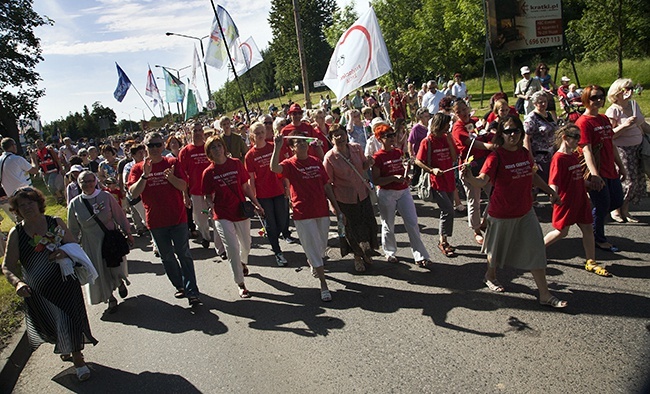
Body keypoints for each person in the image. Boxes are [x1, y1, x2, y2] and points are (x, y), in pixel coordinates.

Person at [462, 115, 567, 308]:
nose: (512, 135)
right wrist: (469, 177)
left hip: (525, 211)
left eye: (516, 131)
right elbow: (482, 181)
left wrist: (551, 192)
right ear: (501, 134)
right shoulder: (496, 156)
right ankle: (490, 275)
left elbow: (532, 176)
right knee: (495, 252)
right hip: (501, 213)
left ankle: (544, 294)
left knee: (536, 250)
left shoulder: (525, 153)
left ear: (521, 132)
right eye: (508, 131)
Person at [2, 187, 97, 381]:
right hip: (38, 290)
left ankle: (79, 361)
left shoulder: (55, 223)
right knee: (51, 323)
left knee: (70, 319)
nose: (27, 207)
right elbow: (7, 267)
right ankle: (64, 343)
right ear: (16, 210)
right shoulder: (16, 233)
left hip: (64, 282)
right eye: (22, 205)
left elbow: (73, 246)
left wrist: (64, 252)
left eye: (31, 203)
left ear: (39, 203)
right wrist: (17, 283)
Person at [128, 132, 201, 306]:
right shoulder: (138, 168)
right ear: (145, 147)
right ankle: (180, 285)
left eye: (157, 145)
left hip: (177, 218)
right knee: (167, 257)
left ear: (163, 146)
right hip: (156, 221)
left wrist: (171, 178)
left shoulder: (172, 163)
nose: (154, 148)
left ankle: (192, 292)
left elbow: (184, 186)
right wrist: (145, 176)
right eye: (150, 145)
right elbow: (133, 193)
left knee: (184, 254)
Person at [270, 131, 343, 302]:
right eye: (298, 142)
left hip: (321, 210)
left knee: (321, 246)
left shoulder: (317, 162)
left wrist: (337, 208)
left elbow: (326, 186)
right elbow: (274, 168)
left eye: (305, 142)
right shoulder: (289, 164)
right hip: (303, 213)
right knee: (312, 247)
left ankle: (313, 261)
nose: (303, 145)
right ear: (293, 147)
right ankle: (323, 284)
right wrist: (277, 147)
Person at [543, 124, 610, 277]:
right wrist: (554, 195)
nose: (579, 141)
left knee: (587, 228)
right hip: (566, 200)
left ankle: (591, 261)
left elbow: (576, 178)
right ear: (565, 138)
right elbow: (554, 181)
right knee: (561, 232)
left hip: (580, 198)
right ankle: (535, 250)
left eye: (580, 137)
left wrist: (590, 184)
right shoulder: (559, 158)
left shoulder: (573, 155)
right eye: (576, 138)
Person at [203, 135, 263, 298]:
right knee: (232, 248)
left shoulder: (236, 163)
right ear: (209, 152)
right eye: (212, 147)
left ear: (224, 147)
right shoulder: (208, 172)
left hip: (240, 210)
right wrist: (210, 204)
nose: (217, 149)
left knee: (246, 244)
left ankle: (243, 262)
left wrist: (256, 203)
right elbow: (207, 195)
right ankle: (240, 283)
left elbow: (245, 186)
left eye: (218, 146)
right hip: (222, 214)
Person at [68, 171, 134, 313]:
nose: (88, 184)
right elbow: (72, 229)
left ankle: (120, 282)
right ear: (79, 184)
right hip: (91, 244)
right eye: (83, 182)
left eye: (90, 180)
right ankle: (110, 298)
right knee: (99, 272)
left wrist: (128, 232)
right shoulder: (75, 204)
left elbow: (119, 216)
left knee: (115, 268)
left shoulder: (106, 196)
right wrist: (72, 249)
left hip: (110, 239)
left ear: (96, 181)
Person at [372, 124, 432, 267]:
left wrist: (407, 177)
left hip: (403, 190)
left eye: (393, 135)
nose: (393, 138)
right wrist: (393, 178)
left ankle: (420, 255)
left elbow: (403, 170)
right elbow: (376, 180)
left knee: (412, 222)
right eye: (388, 136)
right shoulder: (377, 157)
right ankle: (390, 252)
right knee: (388, 224)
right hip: (386, 193)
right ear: (380, 139)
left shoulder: (398, 152)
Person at [576, 85, 627, 253]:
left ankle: (591, 223)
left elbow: (611, 144)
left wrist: (621, 166)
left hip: (609, 168)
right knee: (602, 204)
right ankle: (598, 238)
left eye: (601, 96)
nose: (598, 100)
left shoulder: (604, 119)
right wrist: (594, 175)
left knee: (617, 200)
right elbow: (587, 150)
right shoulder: (583, 123)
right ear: (585, 100)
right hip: (597, 171)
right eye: (594, 97)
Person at [323, 124, 379, 272]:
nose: (340, 137)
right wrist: (335, 207)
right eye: (335, 135)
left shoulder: (356, 148)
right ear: (331, 139)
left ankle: (366, 251)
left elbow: (363, 166)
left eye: (342, 133)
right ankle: (357, 257)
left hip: (362, 194)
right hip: (344, 200)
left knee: (368, 225)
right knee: (349, 231)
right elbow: (327, 184)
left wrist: (369, 162)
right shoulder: (329, 158)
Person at [451, 99, 496, 245]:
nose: (464, 113)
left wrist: (494, 136)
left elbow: (485, 134)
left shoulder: (475, 121)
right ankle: (476, 230)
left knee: (495, 194)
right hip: (469, 166)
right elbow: (470, 142)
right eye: (459, 111)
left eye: (465, 109)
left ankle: (484, 220)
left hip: (485, 164)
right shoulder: (457, 128)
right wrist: (489, 147)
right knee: (474, 200)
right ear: (455, 113)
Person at [245, 122, 289, 266]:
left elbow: (282, 168)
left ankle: (272, 237)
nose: (260, 135)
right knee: (270, 223)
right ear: (252, 136)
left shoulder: (273, 147)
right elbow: (251, 178)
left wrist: (287, 186)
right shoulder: (250, 155)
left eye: (262, 131)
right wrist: (254, 199)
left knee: (282, 221)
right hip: (263, 194)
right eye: (257, 133)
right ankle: (277, 252)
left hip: (278, 190)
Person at [179, 122, 226, 256]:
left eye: (200, 130)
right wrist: (185, 195)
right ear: (190, 132)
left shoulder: (209, 147)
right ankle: (205, 236)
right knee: (200, 220)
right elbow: (182, 175)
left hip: (213, 191)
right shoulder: (185, 151)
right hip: (196, 192)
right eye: (195, 130)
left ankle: (220, 248)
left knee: (216, 218)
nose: (198, 133)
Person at [415, 113, 458, 257]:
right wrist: (431, 170)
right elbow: (418, 161)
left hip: (449, 179)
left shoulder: (447, 138)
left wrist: (451, 139)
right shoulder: (427, 141)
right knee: (448, 210)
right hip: (437, 182)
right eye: (446, 124)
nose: (448, 127)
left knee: (447, 210)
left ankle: (444, 239)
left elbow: (454, 157)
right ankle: (442, 241)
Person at [605, 78, 646, 223]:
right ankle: (615, 210)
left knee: (636, 180)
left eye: (631, 88)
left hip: (638, 147)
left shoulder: (634, 105)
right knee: (626, 180)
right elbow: (609, 134)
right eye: (626, 89)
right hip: (622, 149)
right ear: (617, 92)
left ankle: (625, 210)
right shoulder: (613, 110)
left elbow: (643, 125)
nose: (630, 91)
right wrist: (626, 125)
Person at [523, 91, 558, 206]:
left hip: (551, 153)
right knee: (544, 180)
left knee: (553, 178)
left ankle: (553, 200)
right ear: (534, 103)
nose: (543, 104)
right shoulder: (531, 118)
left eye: (545, 101)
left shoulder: (548, 115)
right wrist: (530, 158)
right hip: (539, 155)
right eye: (540, 102)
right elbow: (526, 139)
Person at [0, 138, 40, 222]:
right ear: (12, 146)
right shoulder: (17, 159)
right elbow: (34, 170)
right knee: (35, 216)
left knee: (21, 218)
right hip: (26, 193)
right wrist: (33, 158)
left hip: (11, 196)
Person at [34, 139, 65, 204]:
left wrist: (61, 169)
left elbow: (57, 159)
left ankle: (60, 196)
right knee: (48, 187)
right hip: (44, 172)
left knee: (51, 184)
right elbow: (37, 164)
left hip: (53, 170)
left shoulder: (49, 150)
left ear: (43, 144)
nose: (39, 146)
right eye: (37, 145)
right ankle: (57, 198)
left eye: (40, 144)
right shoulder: (37, 153)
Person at [408, 108, 431, 187]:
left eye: (428, 116)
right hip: (419, 154)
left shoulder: (431, 126)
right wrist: (411, 154)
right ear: (420, 118)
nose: (428, 118)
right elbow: (410, 142)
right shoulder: (416, 128)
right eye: (425, 117)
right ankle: (414, 185)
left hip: (429, 153)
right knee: (417, 172)